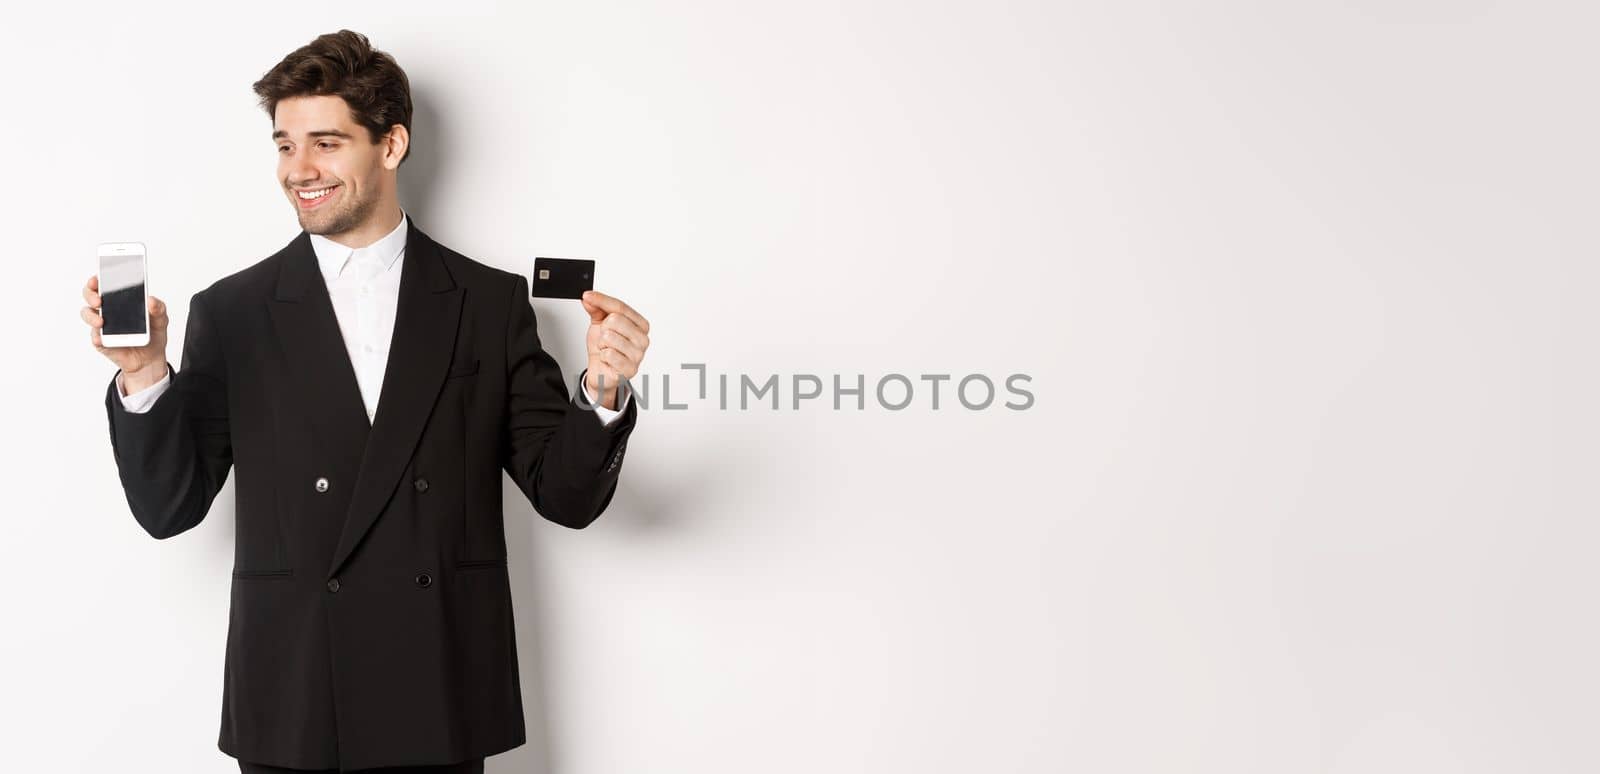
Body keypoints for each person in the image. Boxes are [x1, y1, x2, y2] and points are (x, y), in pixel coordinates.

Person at [79, 29, 649, 773]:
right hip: (294, 697)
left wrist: (602, 391)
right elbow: (168, 509)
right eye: (284, 146)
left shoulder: (486, 302)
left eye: (325, 143)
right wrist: (145, 372)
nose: (299, 170)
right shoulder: (233, 311)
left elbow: (566, 495)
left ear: (391, 144)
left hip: (437, 690)